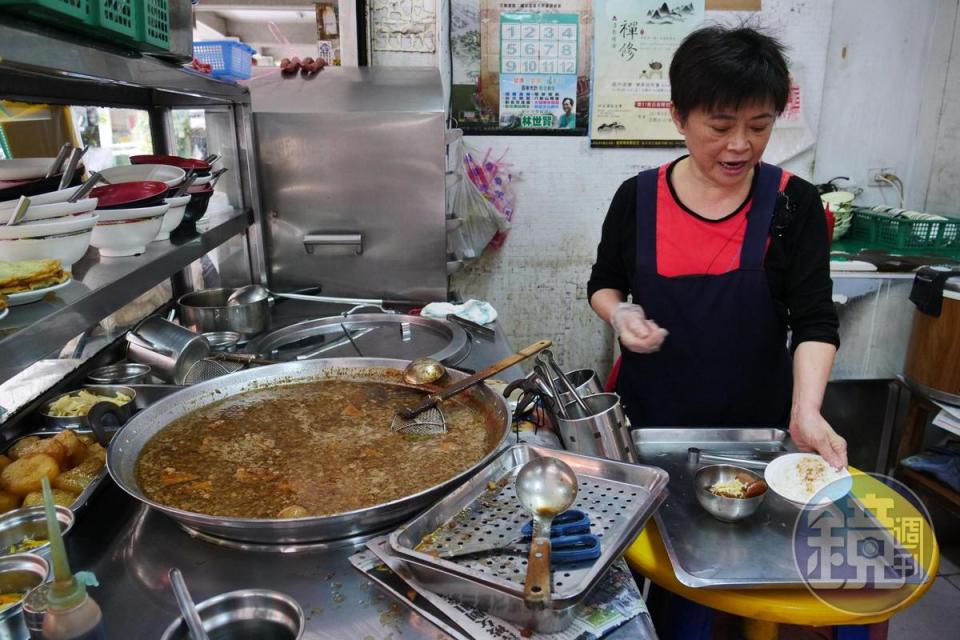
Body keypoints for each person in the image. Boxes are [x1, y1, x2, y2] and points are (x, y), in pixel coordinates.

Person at [588, 25, 846, 470]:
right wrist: (620, 313)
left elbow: (815, 320)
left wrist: (806, 410)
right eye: (721, 126)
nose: (741, 145)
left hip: (756, 430)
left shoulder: (793, 203)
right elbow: (605, 283)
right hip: (650, 427)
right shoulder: (637, 197)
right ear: (679, 116)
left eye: (759, 126)